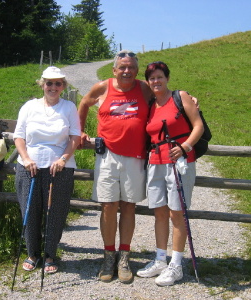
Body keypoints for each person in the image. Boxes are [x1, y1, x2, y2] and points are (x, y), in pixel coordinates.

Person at [78, 50, 153, 283]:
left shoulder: (143, 89)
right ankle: (109, 255)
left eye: (131, 67)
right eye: (122, 67)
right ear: (114, 70)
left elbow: (167, 97)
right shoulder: (103, 87)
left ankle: (124, 257)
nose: (127, 71)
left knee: (128, 206)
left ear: (137, 71)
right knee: (108, 206)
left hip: (135, 156)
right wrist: (80, 130)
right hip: (108, 155)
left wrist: (189, 98)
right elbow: (84, 103)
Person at [136, 61, 204, 286]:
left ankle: (176, 264)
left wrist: (185, 147)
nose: (156, 81)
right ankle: (160, 260)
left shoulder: (181, 97)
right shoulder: (151, 104)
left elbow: (198, 126)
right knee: (160, 213)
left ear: (167, 78)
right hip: (155, 161)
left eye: (159, 77)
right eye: (152, 78)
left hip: (179, 161)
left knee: (177, 213)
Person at [13, 66, 81, 274]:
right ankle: (32, 253)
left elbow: (75, 137)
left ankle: (50, 253)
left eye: (57, 83)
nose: (53, 87)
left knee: (56, 212)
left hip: (59, 168)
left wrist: (63, 159)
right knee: (30, 210)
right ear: (42, 84)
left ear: (63, 86)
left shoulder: (69, 107)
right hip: (30, 166)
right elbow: (19, 136)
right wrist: (25, 158)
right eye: (49, 83)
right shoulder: (29, 106)